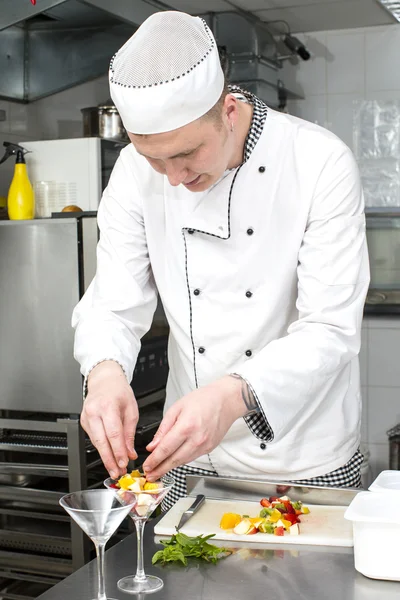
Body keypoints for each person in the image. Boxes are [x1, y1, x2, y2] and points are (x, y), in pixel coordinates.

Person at [72, 11, 370, 510]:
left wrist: (229, 398)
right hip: (186, 458)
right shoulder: (131, 173)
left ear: (228, 110)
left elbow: (330, 328)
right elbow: (112, 300)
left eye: (187, 154)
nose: (172, 178)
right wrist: (103, 374)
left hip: (303, 459)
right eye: (154, 159)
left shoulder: (318, 161)